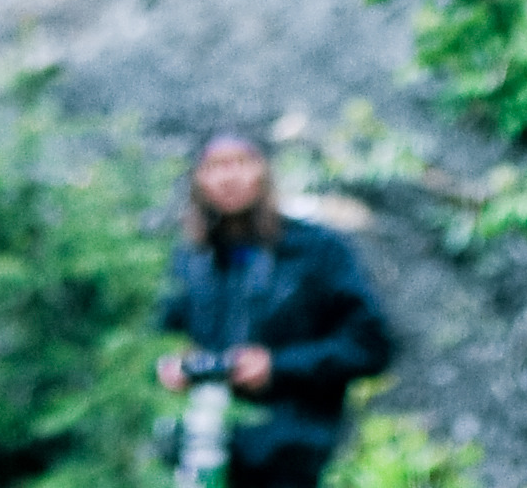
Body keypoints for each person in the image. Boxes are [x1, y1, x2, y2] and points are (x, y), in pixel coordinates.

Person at [157, 129, 397, 485]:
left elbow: (370, 345)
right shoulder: (190, 260)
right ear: (198, 179)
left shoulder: (317, 251)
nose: (228, 177)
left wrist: (277, 366)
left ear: (264, 171)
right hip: (200, 451)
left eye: (241, 163)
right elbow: (155, 339)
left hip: (289, 456)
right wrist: (173, 365)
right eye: (215, 166)